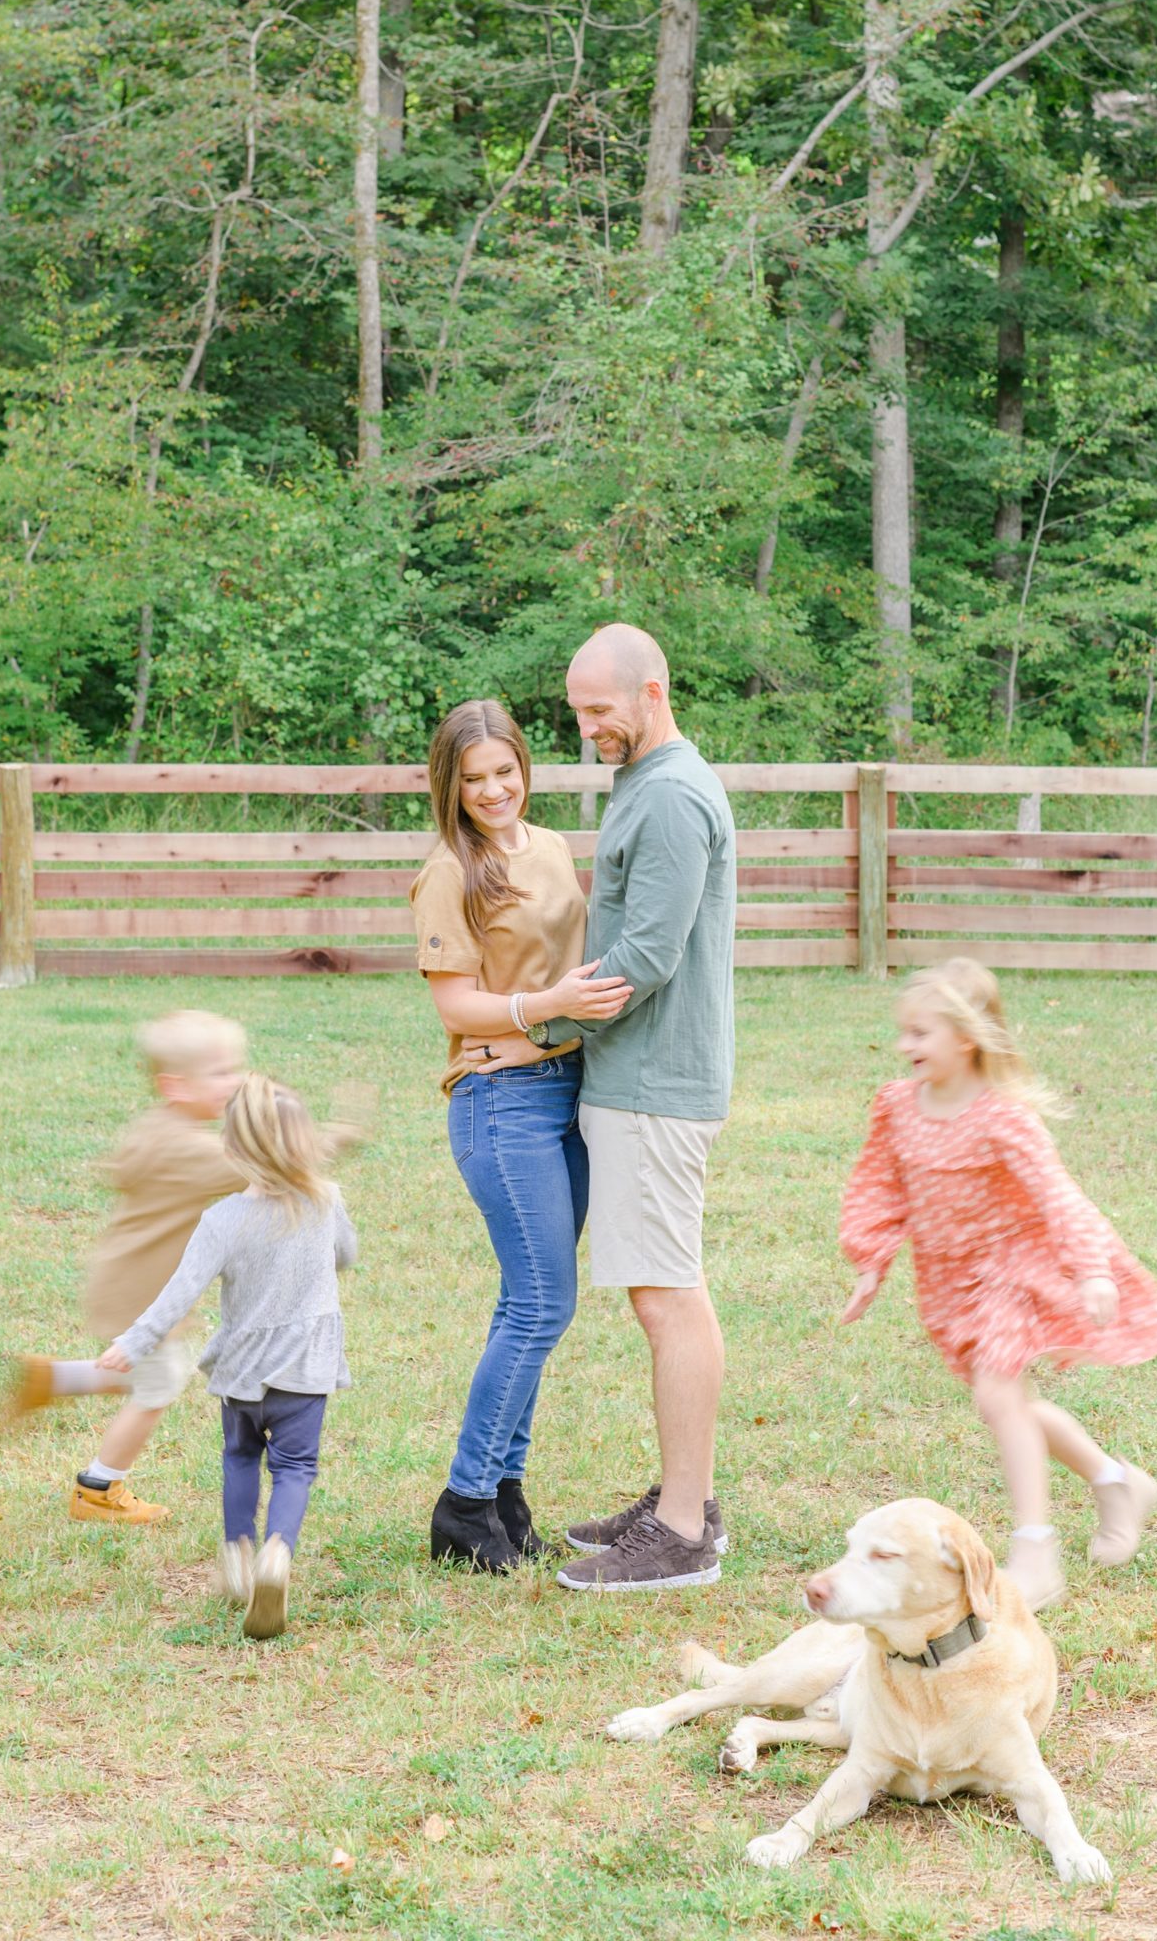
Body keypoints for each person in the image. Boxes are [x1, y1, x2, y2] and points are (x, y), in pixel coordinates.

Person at [839, 956, 1157, 1610]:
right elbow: (879, 1183)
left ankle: (1035, 1549)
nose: (904, 1045)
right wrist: (871, 1260)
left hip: (1009, 1275)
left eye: (920, 1033)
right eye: (904, 1032)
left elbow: (1059, 1196)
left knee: (999, 1400)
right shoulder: (897, 1106)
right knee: (1007, 1407)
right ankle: (1115, 1482)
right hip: (946, 1284)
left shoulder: (1002, 1118)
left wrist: (1090, 1271)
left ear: (965, 1038)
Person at [532, 623, 737, 1593]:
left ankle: (683, 1529)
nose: (585, 728)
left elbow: (646, 956)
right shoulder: (644, 784)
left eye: (597, 710)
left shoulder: (670, 796)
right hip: (634, 1081)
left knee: (666, 1296)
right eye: (577, 712)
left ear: (650, 690)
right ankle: (677, 1498)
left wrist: (536, 1023)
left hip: (653, 1086)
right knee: (663, 1288)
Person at [412, 698, 632, 1572]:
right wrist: (540, 1012)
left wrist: (553, 1028)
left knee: (532, 1305)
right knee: (540, 1302)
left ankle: (502, 1496)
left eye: (505, 772)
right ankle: (463, 1504)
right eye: (475, 780)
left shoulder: (549, 849)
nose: (494, 790)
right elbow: (453, 1005)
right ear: (452, 788)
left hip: (565, 1086)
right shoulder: (448, 872)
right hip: (500, 1102)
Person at [97, 1073, 358, 1641]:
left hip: (243, 1367)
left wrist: (134, 1343)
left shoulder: (222, 1219)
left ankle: (238, 1554)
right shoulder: (327, 1199)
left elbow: (180, 1292)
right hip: (304, 1367)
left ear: (234, 1148)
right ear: (305, 1142)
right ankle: (276, 1554)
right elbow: (347, 1253)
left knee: (240, 1456)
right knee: (294, 1468)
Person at [0, 1008, 248, 1523]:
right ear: (175, 1086)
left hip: (126, 1282)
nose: (237, 1080)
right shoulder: (188, 1150)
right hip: (142, 1295)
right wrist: (327, 1138)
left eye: (237, 1067)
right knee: (158, 1386)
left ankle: (53, 1380)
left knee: (146, 1375)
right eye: (222, 1071)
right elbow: (265, 1166)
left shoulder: (158, 1128)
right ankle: (98, 1490)